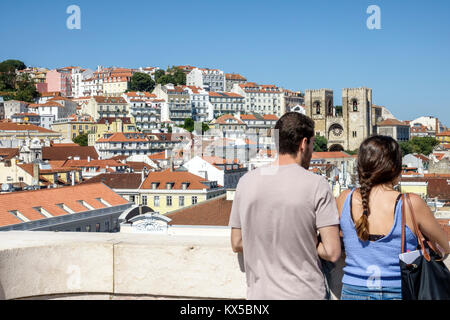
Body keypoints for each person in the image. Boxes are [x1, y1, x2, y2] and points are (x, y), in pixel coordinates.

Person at [229, 112, 341, 300]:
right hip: (305, 293)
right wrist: (305, 242)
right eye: (312, 144)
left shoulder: (246, 182)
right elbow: (331, 252)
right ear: (303, 144)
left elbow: (237, 242)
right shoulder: (316, 184)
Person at [336, 135, 450, 300]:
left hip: (353, 290)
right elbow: (444, 246)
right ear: (394, 168)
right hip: (399, 290)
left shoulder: (344, 199)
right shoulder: (410, 204)